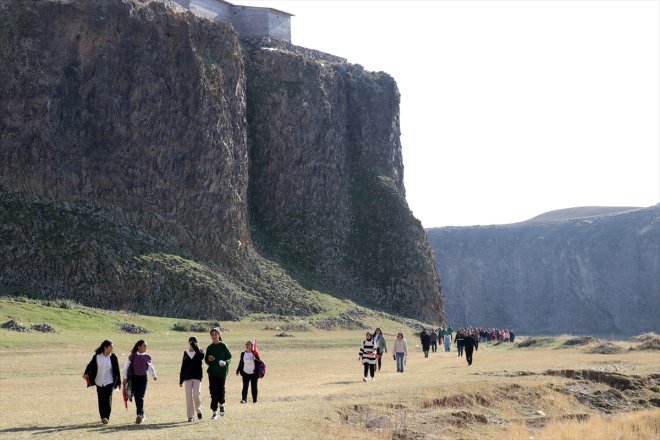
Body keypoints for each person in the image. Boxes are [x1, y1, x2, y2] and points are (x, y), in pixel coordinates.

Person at [83, 340, 121, 424]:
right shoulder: (97, 356)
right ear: (105, 347)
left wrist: (118, 382)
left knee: (108, 399)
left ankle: (106, 417)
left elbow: (117, 370)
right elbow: (90, 365)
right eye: (111, 346)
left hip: (109, 381)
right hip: (99, 381)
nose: (112, 348)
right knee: (101, 399)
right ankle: (102, 416)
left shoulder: (113, 357)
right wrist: (86, 373)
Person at [123, 340, 157, 424]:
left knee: (140, 397)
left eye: (146, 346)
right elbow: (126, 367)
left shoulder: (148, 356)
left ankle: (139, 415)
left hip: (143, 379)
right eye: (144, 345)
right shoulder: (133, 356)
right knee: (137, 398)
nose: (146, 347)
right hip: (134, 379)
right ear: (139, 346)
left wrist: (154, 375)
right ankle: (142, 415)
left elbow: (150, 367)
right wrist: (125, 378)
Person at [205, 327, 232, 419]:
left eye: (215, 334)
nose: (214, 336)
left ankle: (222, 404)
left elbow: (229, 357)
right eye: (212, 335)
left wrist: (225, 363)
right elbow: (206, 360)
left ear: (219, 335)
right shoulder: (209, 348)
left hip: (221, 373)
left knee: (221, 391)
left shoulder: (223, 346)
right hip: (212, 373)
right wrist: (209, 359)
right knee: (213, 392)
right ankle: (214, 412)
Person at [180, 336, 205, 422]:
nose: (192, 344)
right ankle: (190, 416)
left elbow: (201, 357)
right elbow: (183, 366)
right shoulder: (186, 352)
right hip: (187, 377)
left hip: (197, 377)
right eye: (191, 343)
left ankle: (199, 410)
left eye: (194, 342)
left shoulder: (200, 351)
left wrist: (196, 347)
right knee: (188, 397)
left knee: (196, 395)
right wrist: (181, 379)